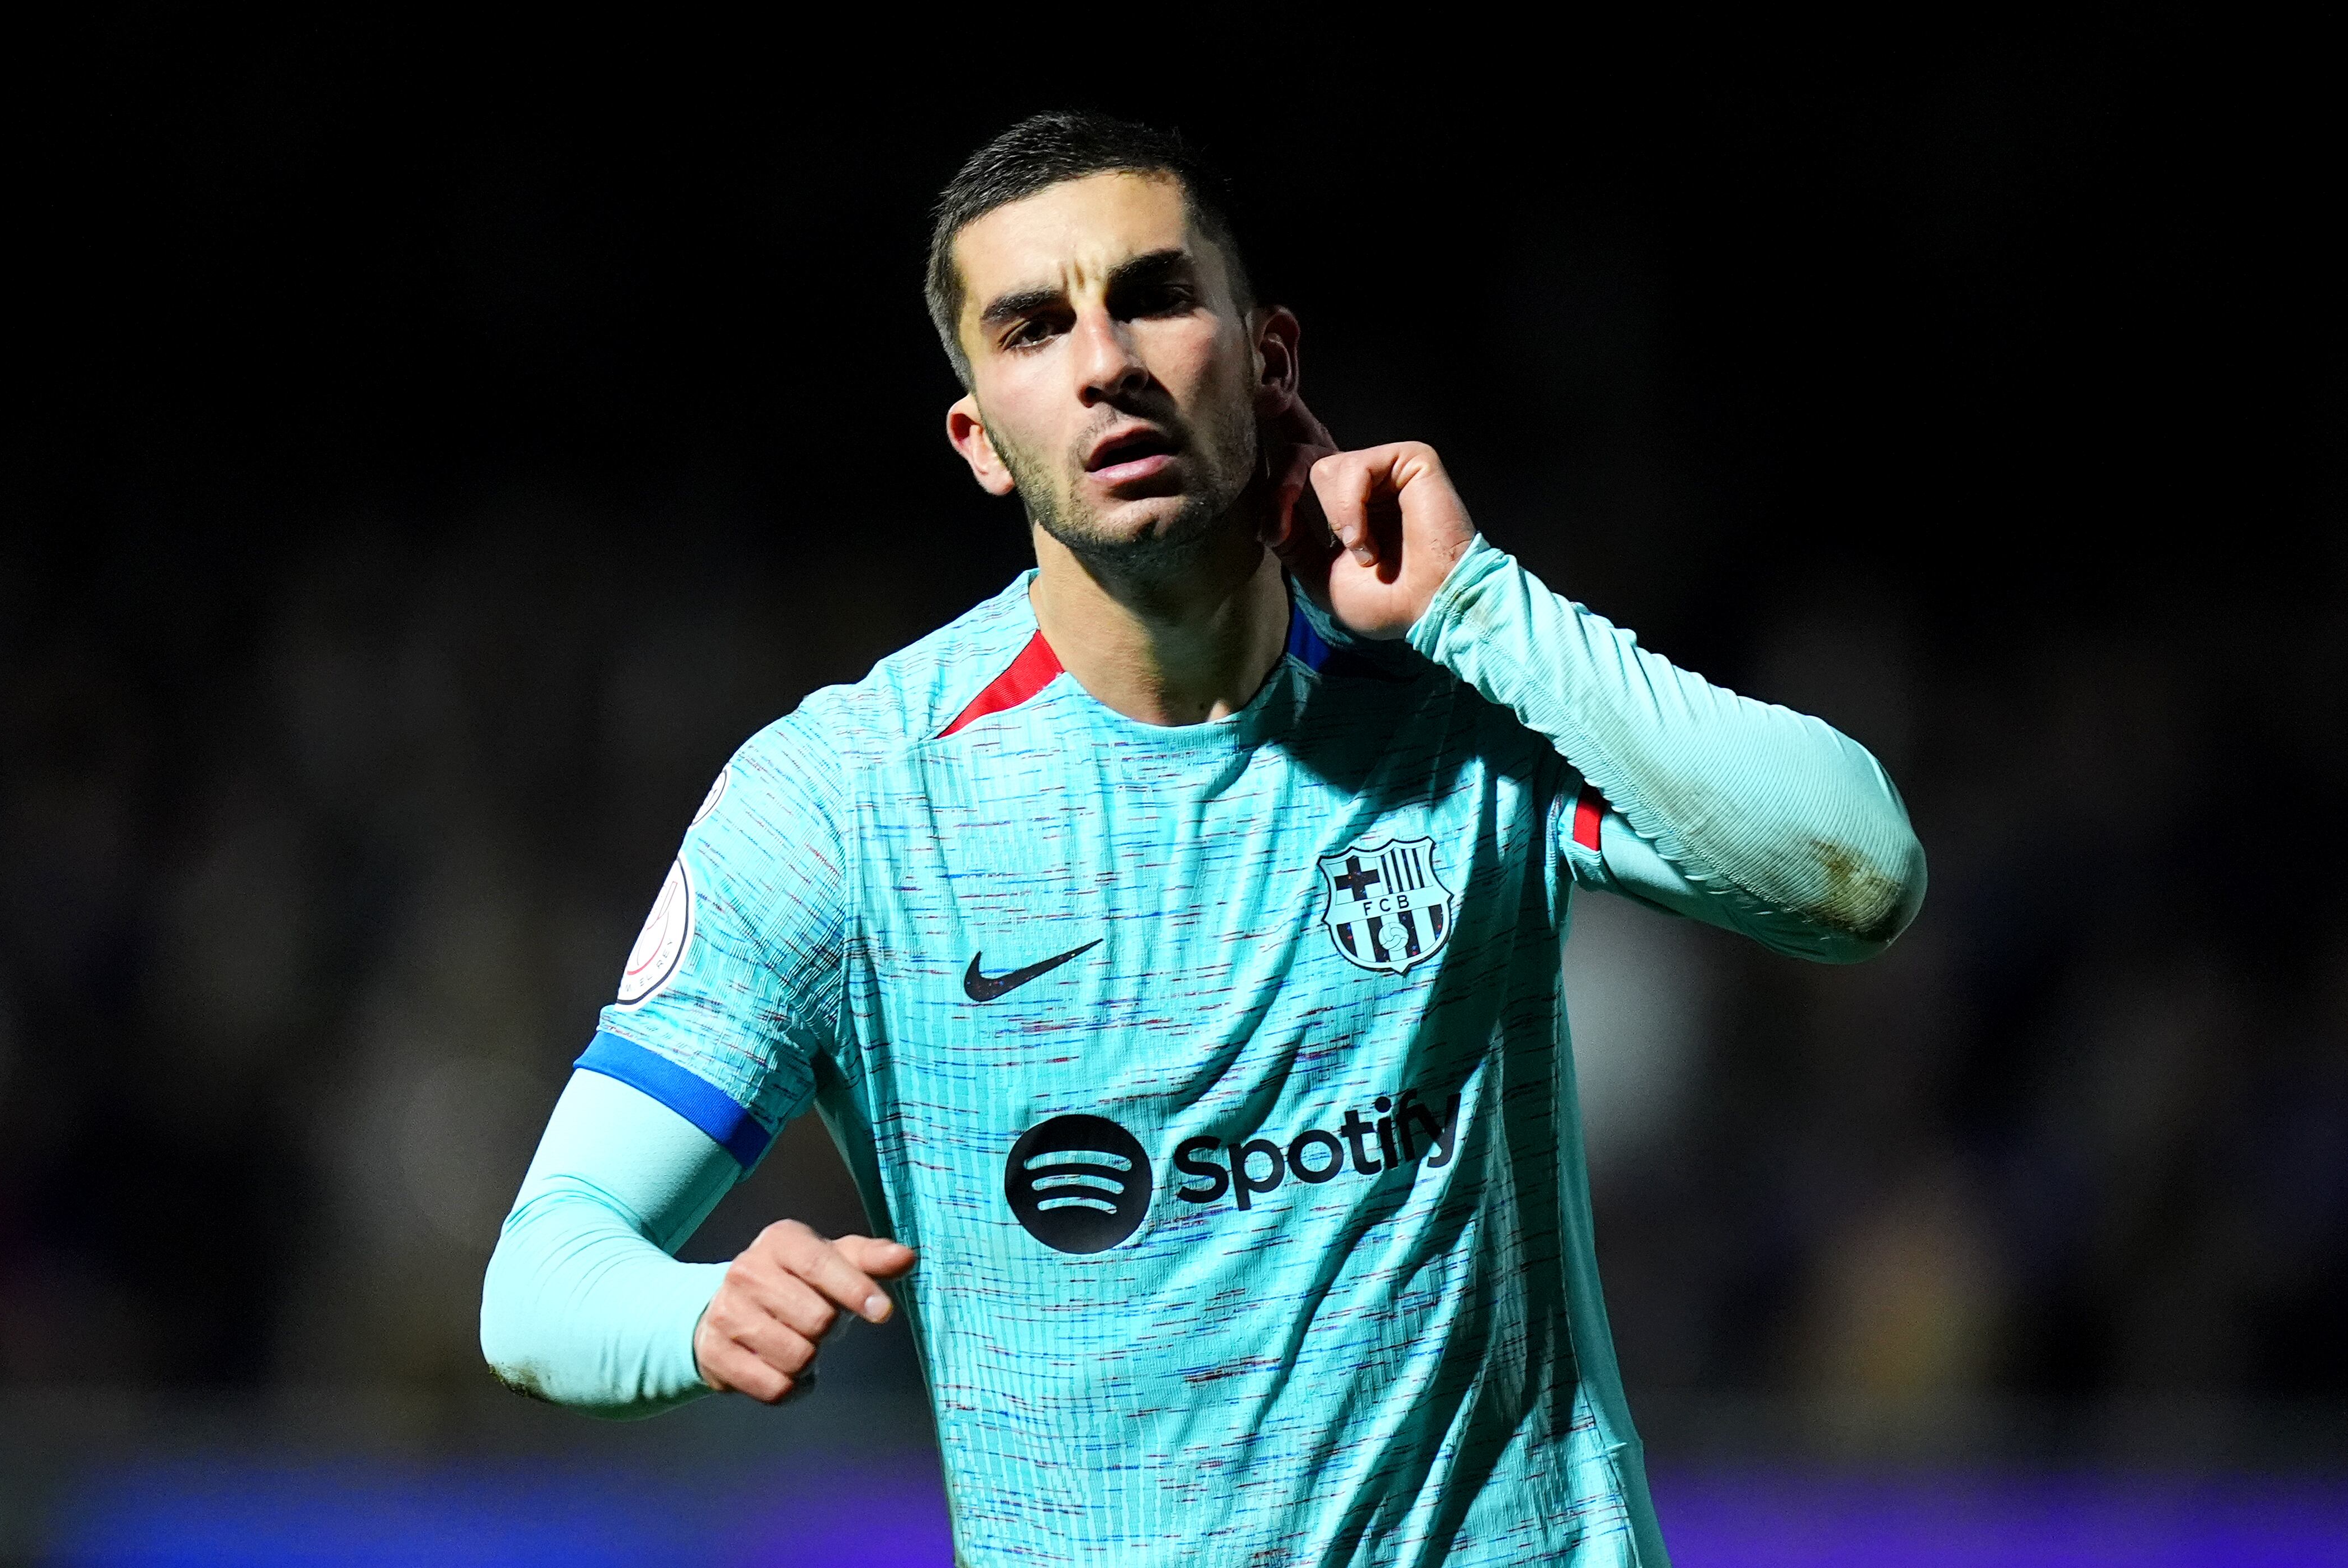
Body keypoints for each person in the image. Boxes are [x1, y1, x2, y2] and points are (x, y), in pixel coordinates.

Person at [479, 111, 1925, 1565]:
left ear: (1268, 357)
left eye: (1153, 296)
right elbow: (541, 1279)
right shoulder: (846, 806)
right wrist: (696, 1310)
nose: (1104, 360)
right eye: (1033, 327)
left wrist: (1480, 605)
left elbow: (1859, 872)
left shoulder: (1461, 692)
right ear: (980, 441)